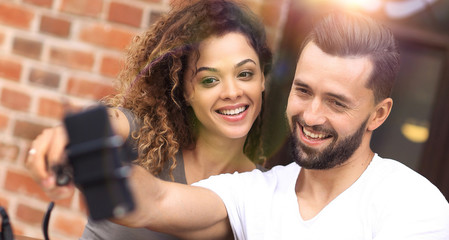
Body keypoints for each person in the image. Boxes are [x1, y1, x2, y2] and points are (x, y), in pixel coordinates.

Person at [108, 10, 448, 239]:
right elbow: (152, 203)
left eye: (336, 102)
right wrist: (81, 148)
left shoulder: (411, 203)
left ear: (379, 114)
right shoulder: (256, 192)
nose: (312, 116)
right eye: (303, 91)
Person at [26, 0, 272, 239]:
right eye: (209, 80)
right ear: (184, 90)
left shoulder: (265, 192)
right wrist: (70, 135)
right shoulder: (146, 139)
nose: (232, 92)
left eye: (245, 74)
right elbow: (112, 121)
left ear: (262, 78)